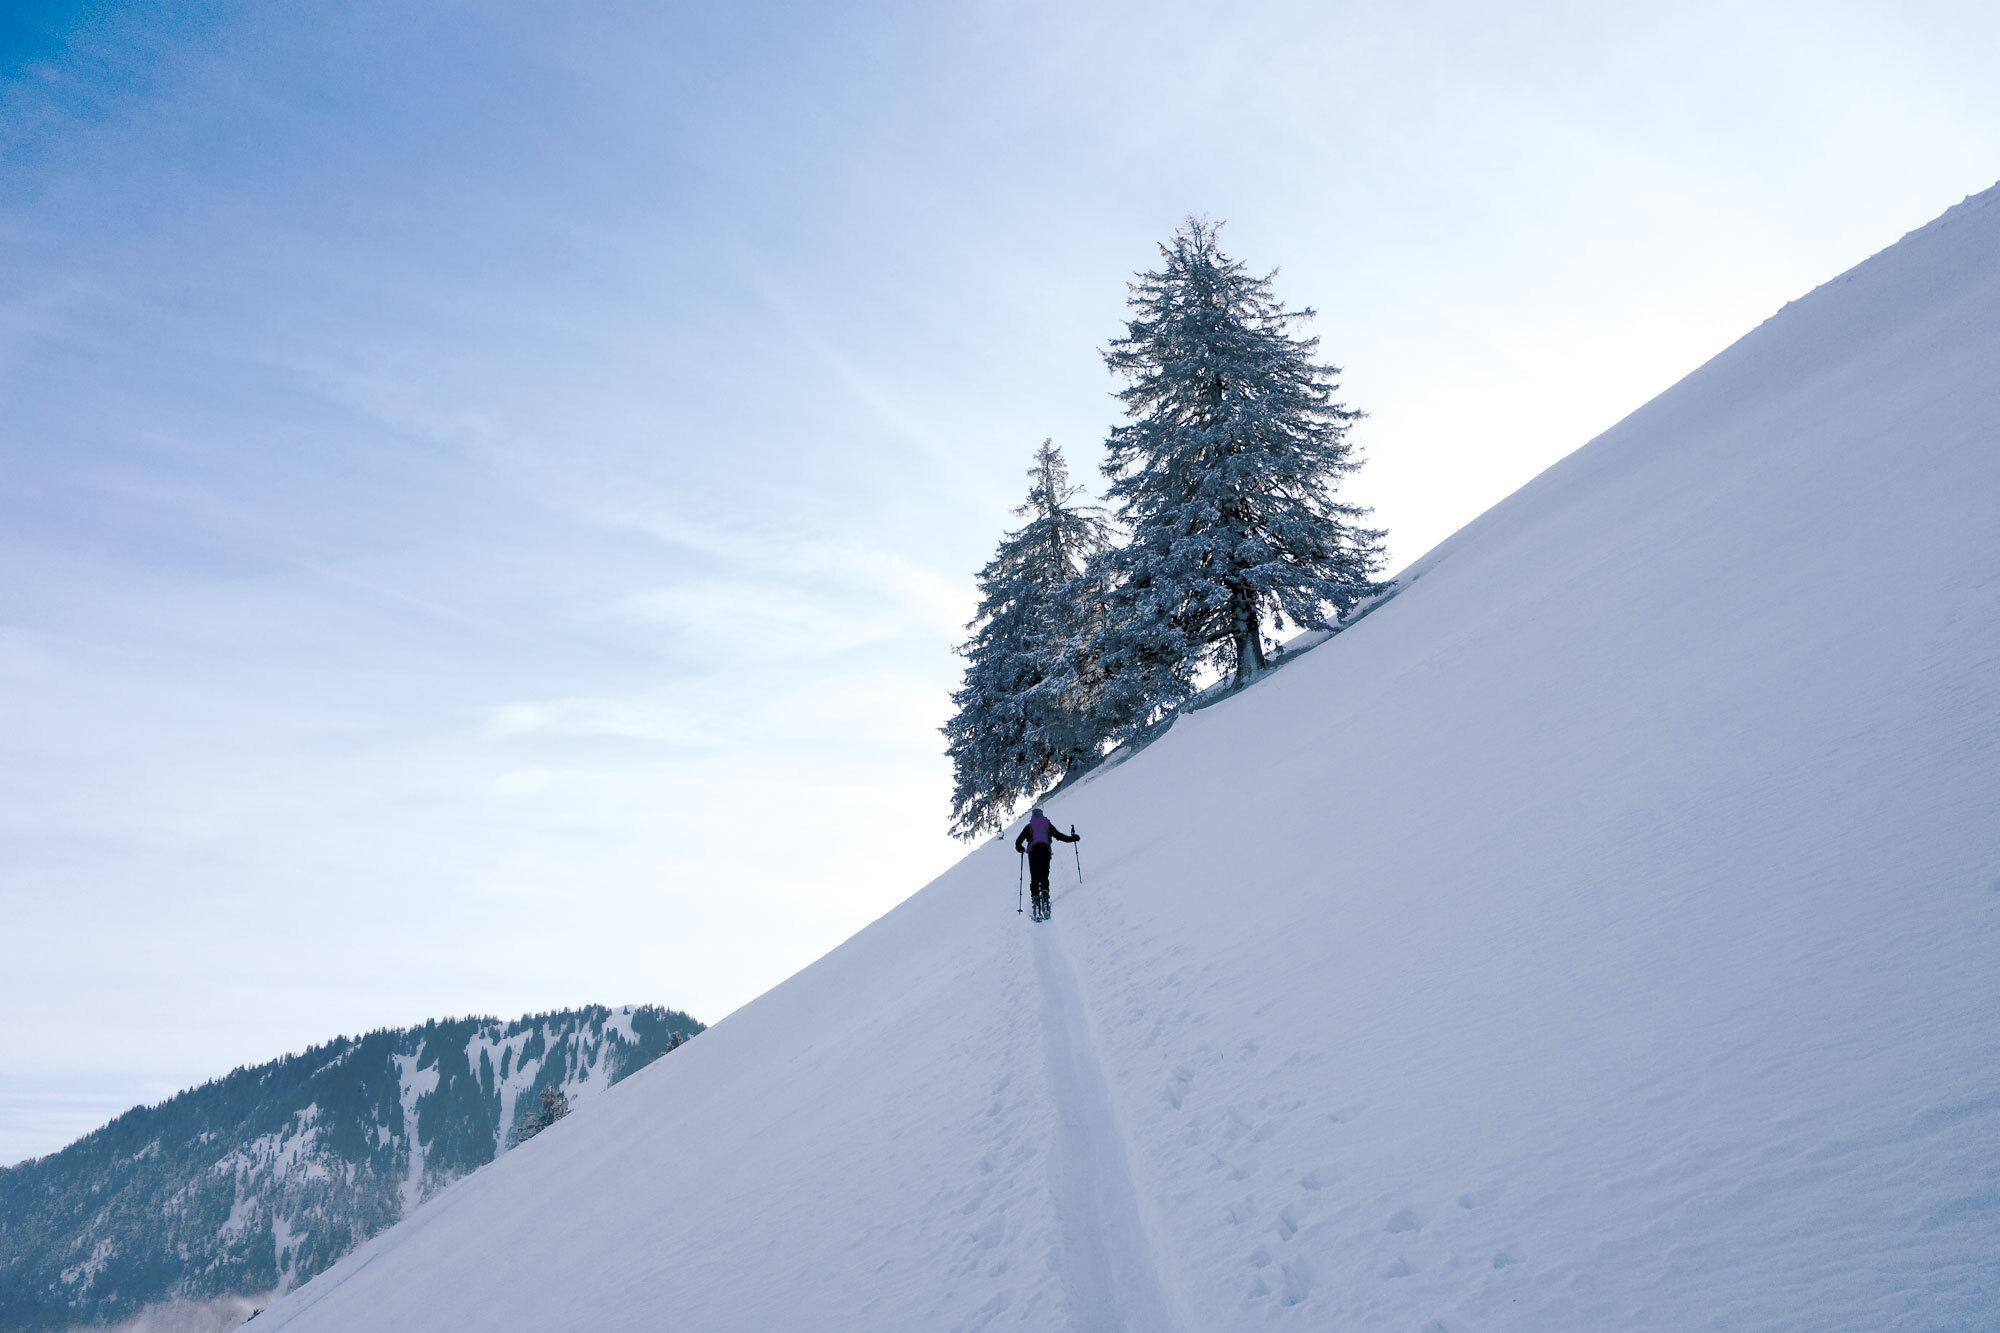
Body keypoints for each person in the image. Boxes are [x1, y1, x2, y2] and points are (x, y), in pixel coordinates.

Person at [1014, 806, 1079, 921]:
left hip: (1033, 853)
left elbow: (1018, 842)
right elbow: (1059, 836)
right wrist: (1072, 838)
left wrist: (1021, 849)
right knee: (1044, 876)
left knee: (1034, 878)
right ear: (1042, 815)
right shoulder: (1047, 825)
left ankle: (1036, 903)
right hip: (1045, 852)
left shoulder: (1029, 826)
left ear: (1033, 816)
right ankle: (1045, 898)